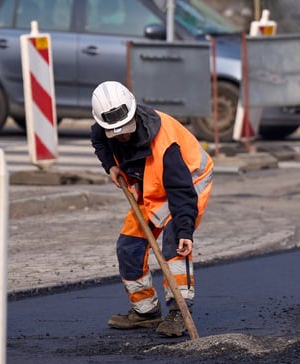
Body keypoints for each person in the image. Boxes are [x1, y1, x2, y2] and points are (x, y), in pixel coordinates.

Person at [90, 81, 213, 337]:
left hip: (188, 184)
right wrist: (110, 166)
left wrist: (185, 231)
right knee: (129, 246)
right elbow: (99, 140)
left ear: (133, 113)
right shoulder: (105, 125)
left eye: (125, 130)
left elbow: (181, 191)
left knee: (175, 245)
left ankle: (179, 311)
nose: (122, 136)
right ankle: (145, 311)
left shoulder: (165, 145)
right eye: (115, 133)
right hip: (150, 185)